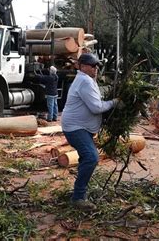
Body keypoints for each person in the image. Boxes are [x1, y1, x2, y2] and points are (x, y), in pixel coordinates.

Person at [61, 53, 119, 211]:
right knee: (92, 157)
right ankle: (78, 197)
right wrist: (114, 102)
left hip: (81, 128)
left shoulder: (87, 80)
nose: (96, 68)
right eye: (93, 66)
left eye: (97, 66)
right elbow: (97, 107)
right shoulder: (84, 81)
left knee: (85, 158)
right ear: (83, 66)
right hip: (75, 128)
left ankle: (80, 190)